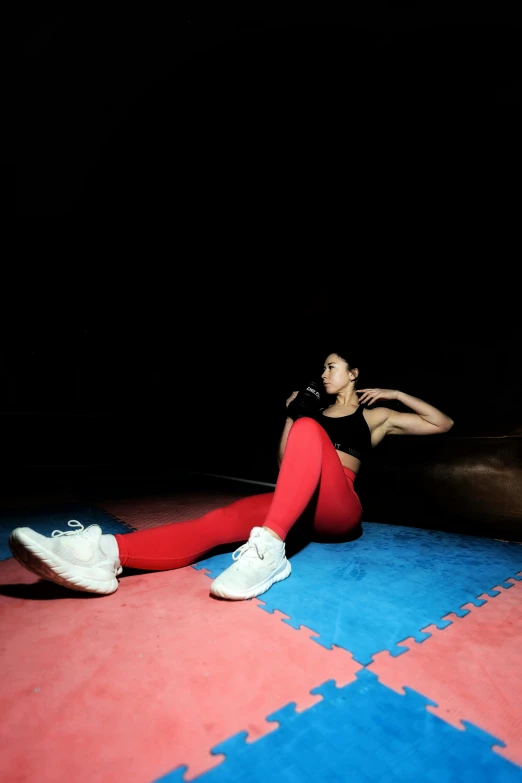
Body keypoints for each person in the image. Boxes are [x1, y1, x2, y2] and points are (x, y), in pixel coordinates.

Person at [9, 351, 454, 601]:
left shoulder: (377, 417)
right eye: (322, 368)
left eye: (332, 366)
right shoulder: (310, 417)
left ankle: (270, 552)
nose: (324, 373)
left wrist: (395, 393)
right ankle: (105, 553)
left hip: (340, 509)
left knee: (309, 434)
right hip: (298, 505)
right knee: (218, 521)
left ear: (354, 373)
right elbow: (286, 469)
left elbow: (442, 423)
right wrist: (291, 417)